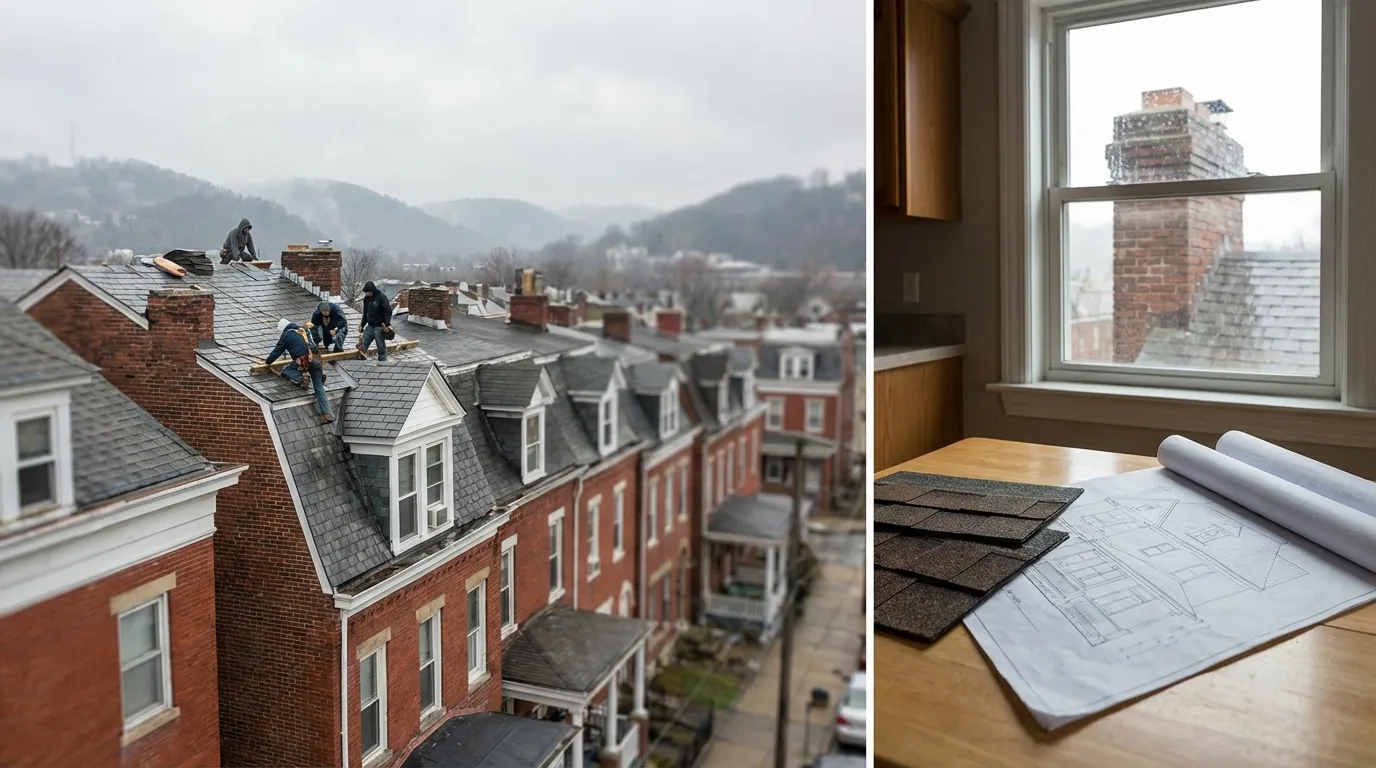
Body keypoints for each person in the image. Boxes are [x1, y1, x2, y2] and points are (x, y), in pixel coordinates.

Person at [265, 318, 334, 423]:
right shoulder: (303, 331)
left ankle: (302, 378)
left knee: (286, 370)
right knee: (319, 387)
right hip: (316, 358)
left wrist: (268, 362)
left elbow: (278, 350)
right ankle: (327, 414)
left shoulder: (287, 335)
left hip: (304, 360)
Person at [357, 281, 392, 361]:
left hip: (379, 326)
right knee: (364, 342)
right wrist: (362, 325)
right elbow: (365, 313)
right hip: (370, 325)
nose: (367, 294)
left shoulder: (381, 297)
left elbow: (388, 311)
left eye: (368, 292)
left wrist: (387, 324)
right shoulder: (366, 299)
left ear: (372, 290)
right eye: (366, 293)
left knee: (380, 345)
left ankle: (382, 360)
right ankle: (362, 355)